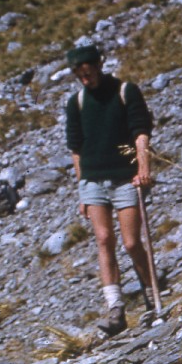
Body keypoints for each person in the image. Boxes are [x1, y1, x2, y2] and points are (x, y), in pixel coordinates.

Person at [64, 42, 156, 336]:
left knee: (131, 242)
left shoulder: (125, 92)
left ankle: (152, 295)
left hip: (125, 178)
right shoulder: (76, 102)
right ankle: (115, 308)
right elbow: (76, 150)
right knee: (104, 239)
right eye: (78, 73)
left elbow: (141, 133)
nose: (84, 77)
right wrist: (81, 188)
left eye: (87, 71)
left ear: (98, 65)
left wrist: (143, 169)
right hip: (92, 179)